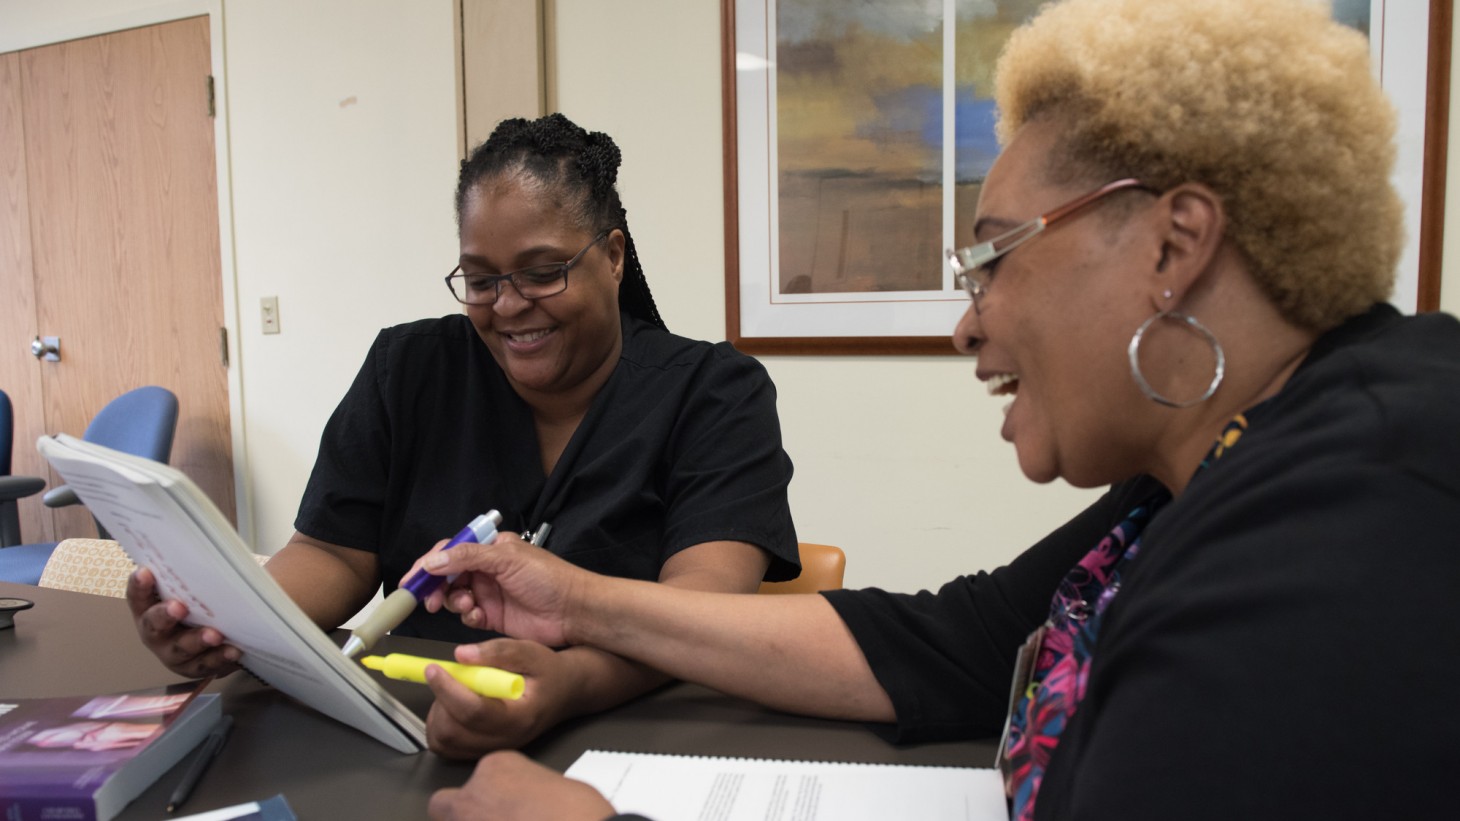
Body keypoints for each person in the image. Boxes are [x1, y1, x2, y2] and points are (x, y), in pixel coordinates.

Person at [420, 1, 1460, 818]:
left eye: (992, 258)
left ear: (1172, 247)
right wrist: (582, 602)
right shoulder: (1217, 470)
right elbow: (948, 642)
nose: (967, 326)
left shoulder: (1353, 518)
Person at [126, 113, 800, 757]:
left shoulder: (714, 393)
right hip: (417, 727)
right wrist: (229, 623)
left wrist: (571, 682)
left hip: (635, 739)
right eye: (480, 280)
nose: (507, 305)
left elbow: (707, 611)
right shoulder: (409, 369)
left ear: (614, 256)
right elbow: (333, 553)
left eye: (542, 272)